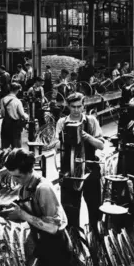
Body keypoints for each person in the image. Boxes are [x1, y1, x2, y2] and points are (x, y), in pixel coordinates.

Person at [0, 148, 78, 266]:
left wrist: (23, 214)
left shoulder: (44, 188)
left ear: (28, 170)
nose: (15, 181)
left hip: (57, 246)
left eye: (17, 176)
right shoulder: (25, 187)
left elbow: (52, 227)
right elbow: (26, 216)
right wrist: (7, 214)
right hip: (43, 246)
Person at [55, 92, 104, 231]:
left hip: (90, 167)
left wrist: (87, 137)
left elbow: (101, 145)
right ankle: (74, 237)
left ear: (84, 106)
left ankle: (95, 234)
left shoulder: (91, 121)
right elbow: (55, 146)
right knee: (70, 209)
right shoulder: (62, 122)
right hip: (68, 171)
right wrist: (66, 140)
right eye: (72, 107)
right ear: (68, 106)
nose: (76, 110)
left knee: (94, 206)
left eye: (79, 107)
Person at [0, 83, 28, 149]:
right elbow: (22, 114)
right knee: (16, 147)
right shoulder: (17, 101)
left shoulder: (2, 100)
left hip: (5, 124)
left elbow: (2, 114)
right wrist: (27, 116)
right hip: (15, 126)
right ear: (17, 90)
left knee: (5, 147)